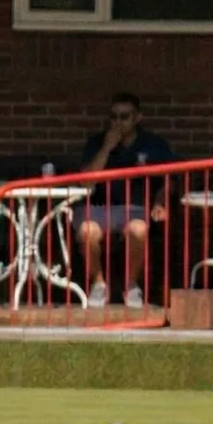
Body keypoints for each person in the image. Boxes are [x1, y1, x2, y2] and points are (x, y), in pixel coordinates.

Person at [75, 92, 175, 308]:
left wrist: (161, 203)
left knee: (138, 230)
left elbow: (168, 180)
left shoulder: (153, 144)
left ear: (138, 117)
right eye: (114, 117)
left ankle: (131, 286)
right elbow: (86, 182)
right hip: (98, 208)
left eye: (124, 117)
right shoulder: (97, 142)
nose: (118, 122)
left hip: (136, 209)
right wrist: (107, 147)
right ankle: (99, 285)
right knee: (86, 231)